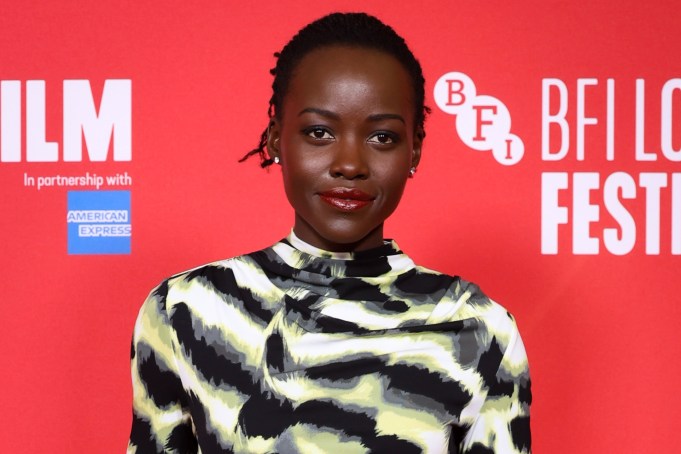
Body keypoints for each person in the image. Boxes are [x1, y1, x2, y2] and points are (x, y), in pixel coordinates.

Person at [127, 12, 531, 454]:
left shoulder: (476, 327)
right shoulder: (186, 309)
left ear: (414, 149)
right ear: (276, 139)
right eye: (319, 132)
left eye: (382, 138)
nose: (350, 164)